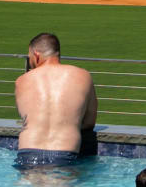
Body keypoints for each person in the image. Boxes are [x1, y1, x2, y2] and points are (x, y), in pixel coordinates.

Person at [14, 32, 97, 165]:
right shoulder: (83, 76)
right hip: (64, 154)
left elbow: (26, 119)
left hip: (27, 154)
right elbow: (89, 123)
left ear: (36, 55)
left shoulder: (21, 81)